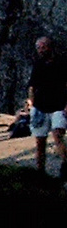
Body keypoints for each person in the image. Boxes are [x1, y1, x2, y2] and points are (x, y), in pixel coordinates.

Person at [29, 36, 67, 174]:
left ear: (50, 47)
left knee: (58, 135)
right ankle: (40, 172)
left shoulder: (62, 63)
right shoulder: (37, 64)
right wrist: (31, 103)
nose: (41, 50)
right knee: (40, 142)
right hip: (40, 107)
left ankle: (65, 164)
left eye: (43, 47)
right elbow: (32, 87)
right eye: (38, 48)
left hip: (58, 105)